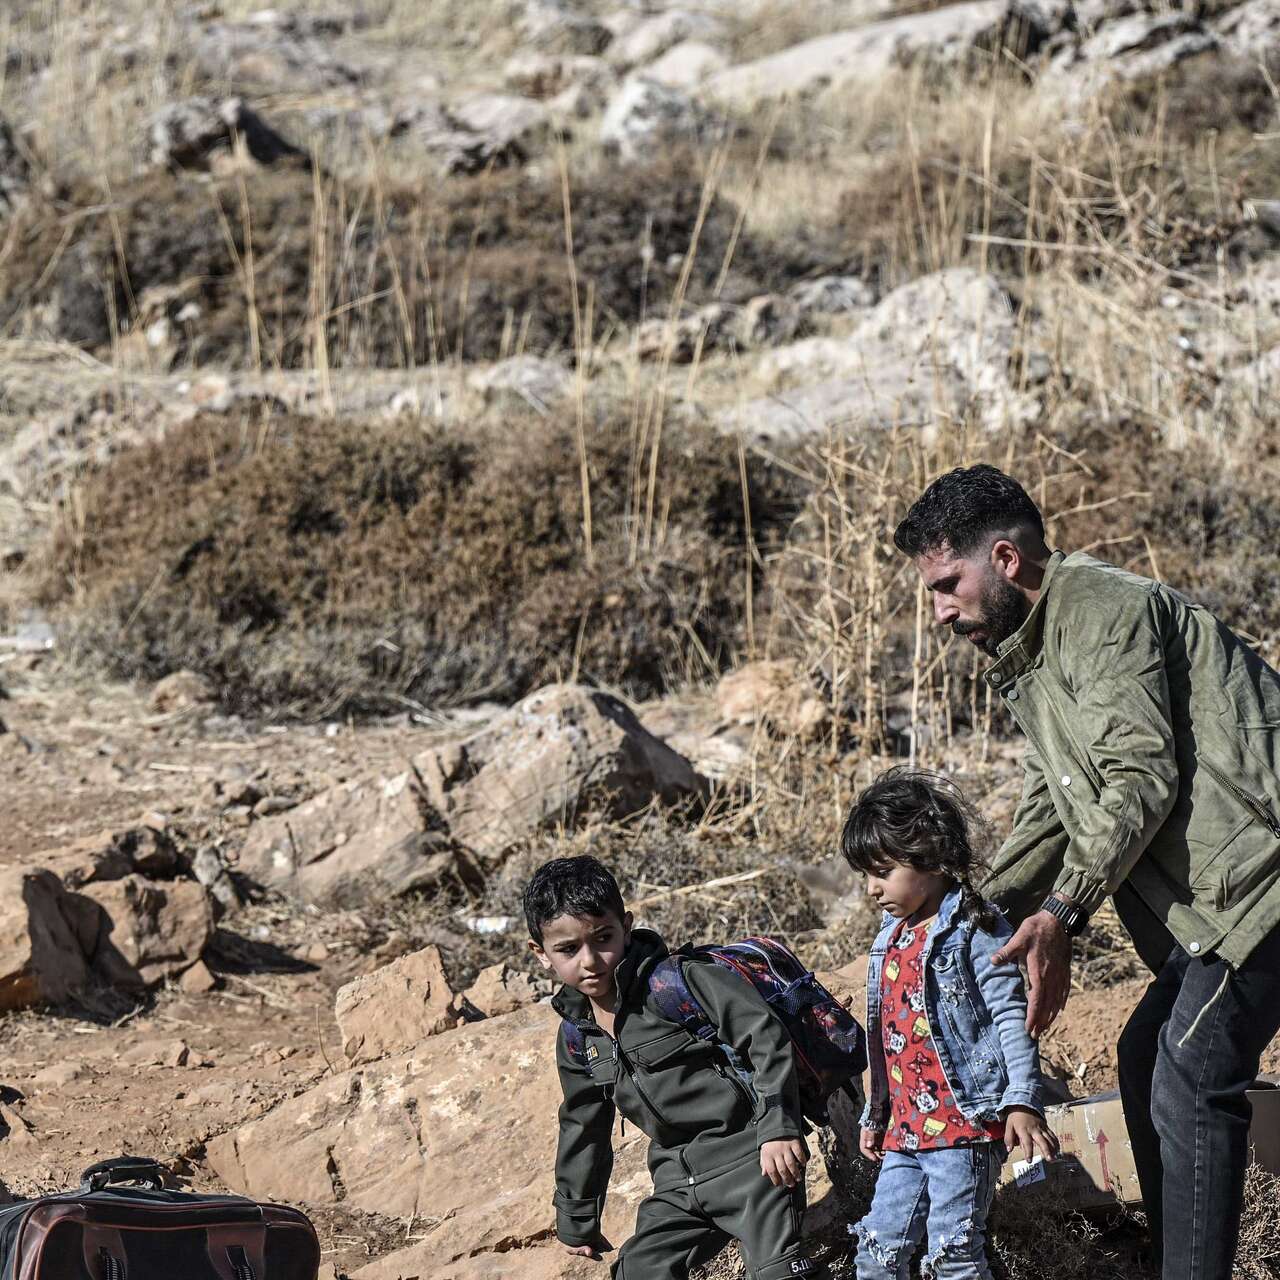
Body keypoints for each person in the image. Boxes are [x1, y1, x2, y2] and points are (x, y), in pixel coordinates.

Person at [894, 463, 1280, 1280]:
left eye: (947, 585)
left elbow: (1139, 776)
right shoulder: (1030, 653)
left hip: (1262, 883)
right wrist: (967, 916)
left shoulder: (1103, 610)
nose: (940, 612)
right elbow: (1053, 807)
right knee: (1144, 1057)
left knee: (1191, 1073)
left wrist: (1063, 912)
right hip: (1217, 904)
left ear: (1005, 560)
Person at [525, 855, 825, 1280]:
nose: (590, 960)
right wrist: (577, 1220)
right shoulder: (578, 1036)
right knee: (639, 1271)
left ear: (626, 926)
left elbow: (765, 1038)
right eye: (568, 949)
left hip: (755, 1163)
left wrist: (778, 1129)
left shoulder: (678, 983)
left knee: (780, 1273)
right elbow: (583, 1123)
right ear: (541, 953)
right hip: (677, 1183)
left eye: (603, 938)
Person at [842, 767, 1056, 1280]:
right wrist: (877, 1113)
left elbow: (1011, 1017)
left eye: (882, 871)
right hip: (905, 1134)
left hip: (965, 1129)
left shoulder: (977, 930)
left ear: (932, 855)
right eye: (866, 875)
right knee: (877, 1251)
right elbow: (888, 1039)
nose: (872, 889)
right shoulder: (889, 939)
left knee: (954, 1256)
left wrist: (1023, 1100)